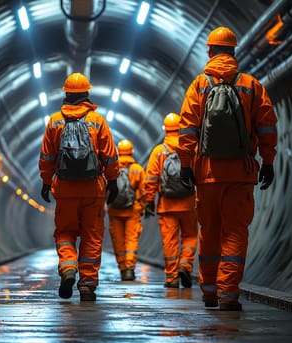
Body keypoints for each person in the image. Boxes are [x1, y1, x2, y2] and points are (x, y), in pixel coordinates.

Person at [177, 26, 278, 311]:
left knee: (209, 232)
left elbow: (187, 129)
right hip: (240, 174)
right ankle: (228, 295)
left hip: (206, 174)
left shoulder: (199, 85)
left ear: (209, 52)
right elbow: (267, 126)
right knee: (235, 233)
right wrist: (268, 161)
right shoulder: (250, 85)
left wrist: (186, 165)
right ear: (234, 51)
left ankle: (209, 292)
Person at [38, 72, 120, 302]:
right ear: (86, 94)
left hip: (64, 190)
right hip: (93, 189)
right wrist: (113, 181)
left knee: (65, 232)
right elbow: (110, 156)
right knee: (92, 236)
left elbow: (47, 156)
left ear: (66, 94)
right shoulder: (97, 120)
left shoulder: (54, 121)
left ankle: (68, 268)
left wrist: (46, 182)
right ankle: (87, 286)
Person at [144, 113, 198, 289]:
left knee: (170, 242)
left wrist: (149, 200)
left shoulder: (159, 151)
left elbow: (151, 178)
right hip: (189, 203)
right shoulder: (191, 147)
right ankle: (185, 265)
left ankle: (172, 278)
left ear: (164, 129)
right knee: (190, 236)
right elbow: (199, 173)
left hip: (166, 205)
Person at [107, 139, 146, 281]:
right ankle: (130, 269)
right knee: (131, 239)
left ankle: (122, 268)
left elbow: (106, 188)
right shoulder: (137, 169)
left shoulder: (112, 168)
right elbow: (144, 192)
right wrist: (143, 207)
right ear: (132, 151)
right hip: (132, 210)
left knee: (118, 240)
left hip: (114, 210)